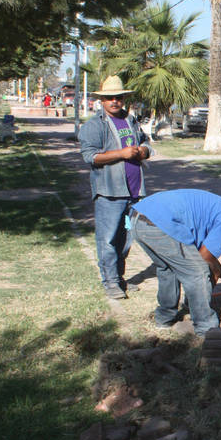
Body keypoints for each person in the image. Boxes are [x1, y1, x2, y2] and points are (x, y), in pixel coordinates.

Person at [131, 190, 221, 334]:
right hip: (160, 223)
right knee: (198, 273)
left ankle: (164, 319)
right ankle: (206, 329)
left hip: (139, 218)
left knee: (169, 268)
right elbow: (205, 256)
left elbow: (205, 254)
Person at [78, 75, 153, 299]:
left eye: (118, 97)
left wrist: (143, 151)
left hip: (134, 193)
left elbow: (146, 142)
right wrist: (121, 154)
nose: (114, 101)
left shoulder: (130, 121)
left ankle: (120, 278)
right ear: (102, 100)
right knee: (108, 239)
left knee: (126, 238)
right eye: (109, 98)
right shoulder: (94, 125)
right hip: (110, 193)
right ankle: (110, 282)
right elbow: (90, 157)